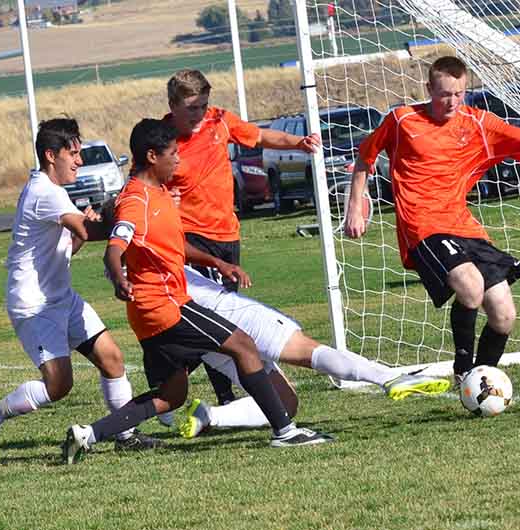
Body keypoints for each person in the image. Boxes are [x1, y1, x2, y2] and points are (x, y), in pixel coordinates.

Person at [61, 119, 331, 464]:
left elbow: (173, 246)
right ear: (151, 156)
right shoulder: (134, 201)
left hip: (150, 313)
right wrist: (119, 279)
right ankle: (285, 432)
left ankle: (87, 434)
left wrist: (218, 264)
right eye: (172, 154)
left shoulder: (158, 193)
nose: (178, 160)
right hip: (166, 305)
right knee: (243, 346)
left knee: (171, 395)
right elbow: (115, 248)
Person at [344, 57, 520, 384]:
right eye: (444, 94)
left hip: (463, 226)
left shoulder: (478, 123)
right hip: (422, 226)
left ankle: (482, 381)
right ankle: (464, 371)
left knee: (504, 315)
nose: (452, 101)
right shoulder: (402, 120)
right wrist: (356, 205)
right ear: (429, 89)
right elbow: (366, 156)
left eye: (459, 94)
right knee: (471, 287)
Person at [0, 118, 162, 465]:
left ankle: (126, 435)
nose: (79, 160)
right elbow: (91, 232)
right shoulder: (45, 191)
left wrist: (86, 229)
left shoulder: (51, 192)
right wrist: (125, 213)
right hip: (34, 306)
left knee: (113, 359)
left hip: (62, 298)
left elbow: (71, 245)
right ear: (50, 155)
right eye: (72, 154)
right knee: (58, 386)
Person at [163, 69, 322, 406]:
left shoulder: (220, 121)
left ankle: (212, 392)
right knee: (211, 322)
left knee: (224, 319)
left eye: (204, 105)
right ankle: (210, 394)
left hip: (227, 237)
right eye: (192, 107)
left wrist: (298, 142)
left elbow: (261, 136)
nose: (200, 114)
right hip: (190, 240)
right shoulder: (161, 141)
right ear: (172, 106)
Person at [179, 265, 451, 438]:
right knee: (307, 350)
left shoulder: (143, 253)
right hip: (228, 313)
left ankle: (210, 415)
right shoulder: (145, 217)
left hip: (199, 332)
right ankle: (388, 377)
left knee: (285, 403)